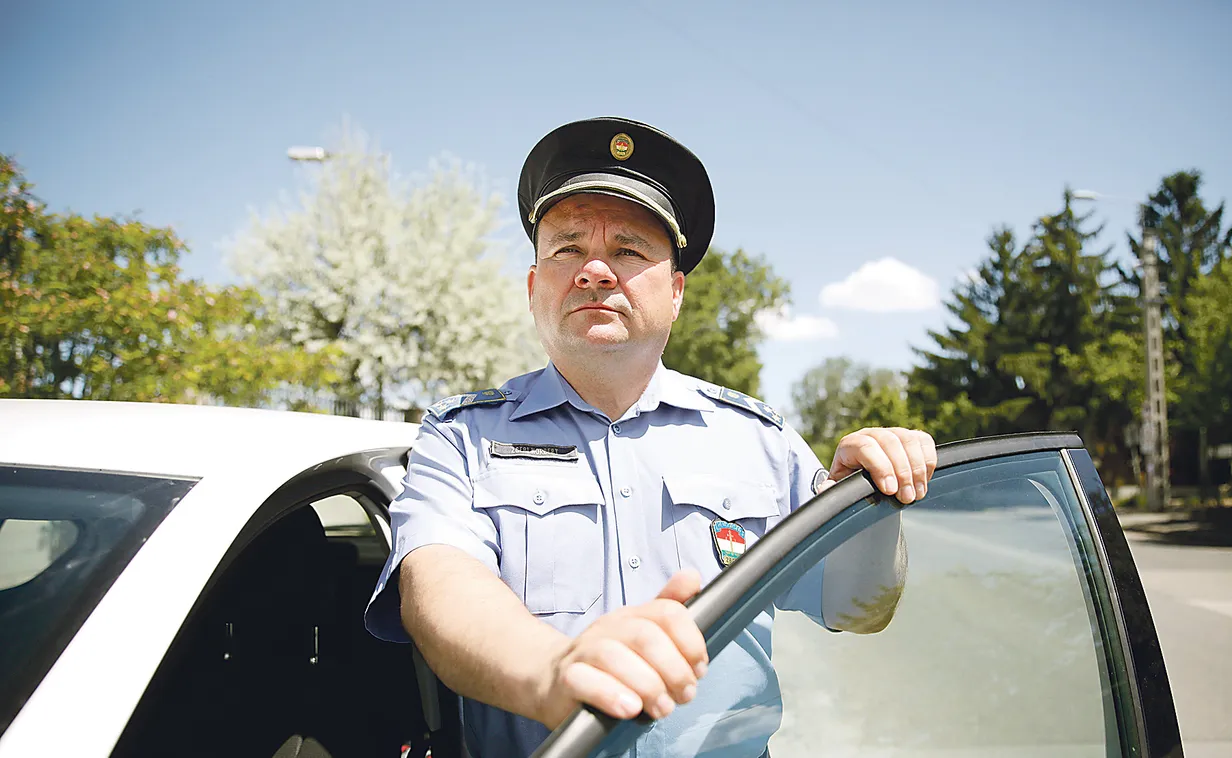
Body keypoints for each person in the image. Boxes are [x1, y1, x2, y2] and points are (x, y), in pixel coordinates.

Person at [364, 116, 937, 758]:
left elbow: (856, 607)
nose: (594, 272)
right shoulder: (459, 437)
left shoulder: (761, 439)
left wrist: (874, 499)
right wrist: (555, 674)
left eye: (629, 252)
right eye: (567, 249)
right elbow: (440, 589)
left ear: (677, 292)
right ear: (533, 286)